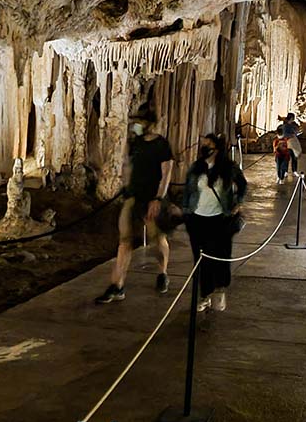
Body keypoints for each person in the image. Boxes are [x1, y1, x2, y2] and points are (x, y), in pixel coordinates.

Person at [96, 109, 174, 304]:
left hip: (152, 198)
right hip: (133, 198)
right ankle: (117, 285)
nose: (136, 125)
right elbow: (129, 166)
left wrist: (158, 198)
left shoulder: (161, 145)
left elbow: (166, 173)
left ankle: (163, 273)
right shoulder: (136, 143)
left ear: (149, 123)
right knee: (125, 241)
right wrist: (124, 185)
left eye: (139, 121)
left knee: (159, 239)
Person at [179, 133, 247, 312]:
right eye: (203, 145)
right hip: (197, 219)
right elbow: (188, 189)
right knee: (200, 259)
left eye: (208, 145)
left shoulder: (228, 168)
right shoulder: (196, 167)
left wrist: (238, 203)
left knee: (219, 255)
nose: (204, 148)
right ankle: (204, 294)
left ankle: (219, 288)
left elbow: (242, 184)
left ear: (217, 149)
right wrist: (185, 210)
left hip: (219, 219)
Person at [279, 112, 302, 177]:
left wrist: (296, 132)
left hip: (294, 142)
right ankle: (285, 171)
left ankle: (294, 170)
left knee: (294, 157)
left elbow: (296, 131)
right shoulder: (285, 126)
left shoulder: (293, 125)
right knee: (287, 157)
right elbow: (285, 134)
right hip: (288, 142)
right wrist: (291, 135)